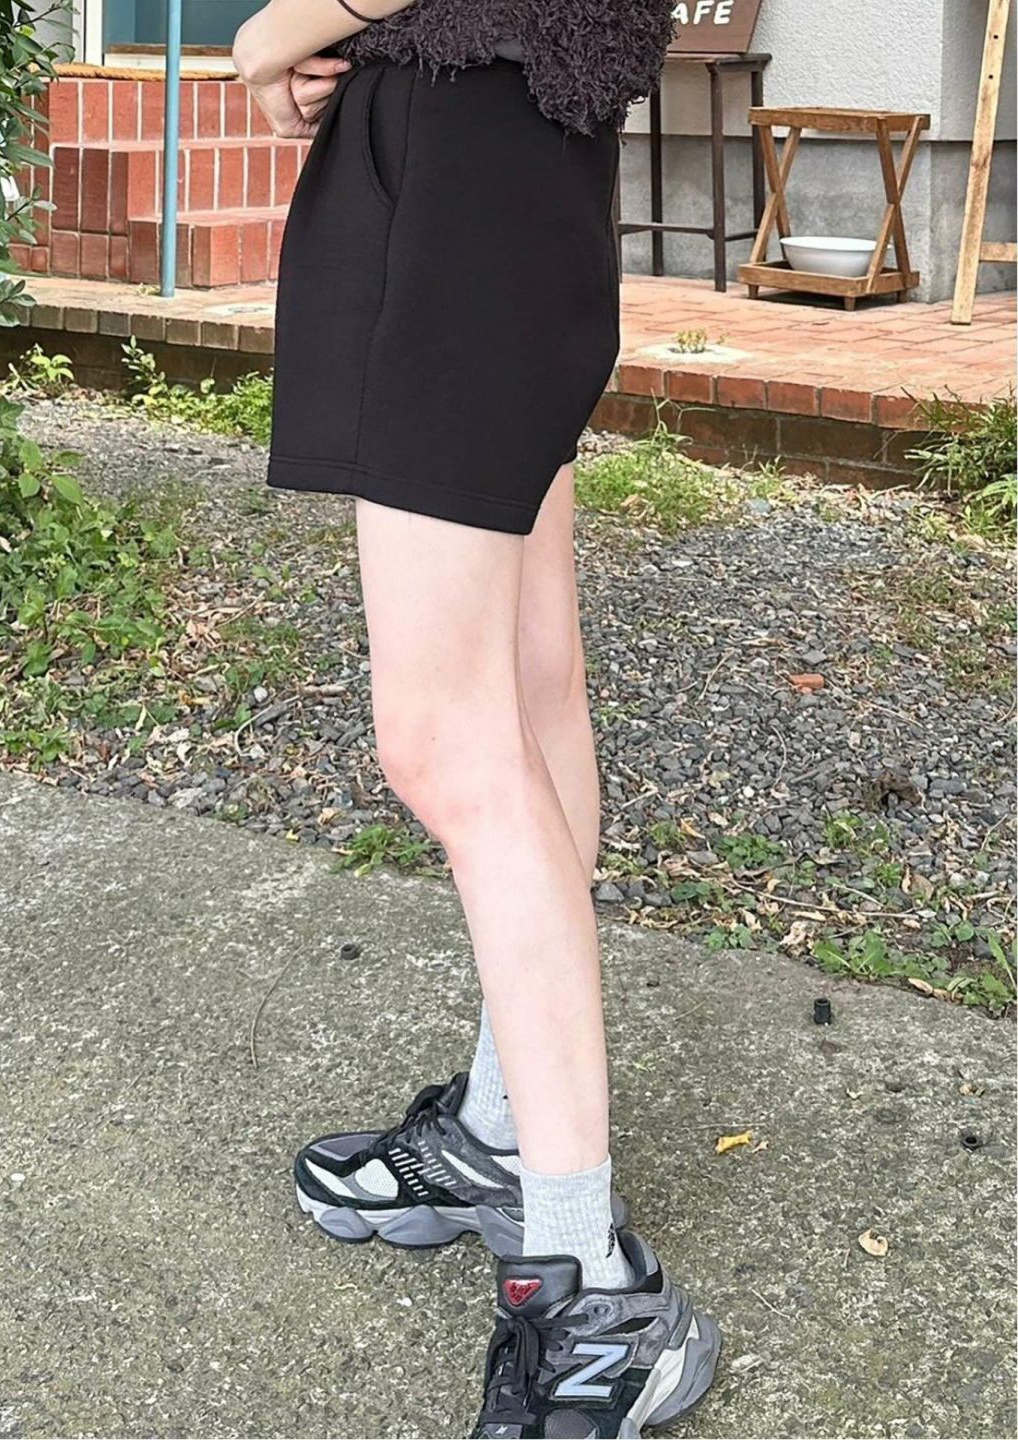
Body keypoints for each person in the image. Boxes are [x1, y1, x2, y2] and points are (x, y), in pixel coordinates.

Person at [233, 2, 721, 1434]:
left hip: (464, 159)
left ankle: (589, 1280)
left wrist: (277, 30)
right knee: (524, 678)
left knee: (446, 737)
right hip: (502, 143)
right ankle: (509, 1139)